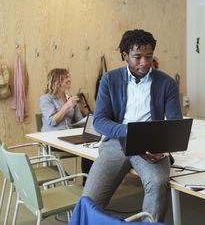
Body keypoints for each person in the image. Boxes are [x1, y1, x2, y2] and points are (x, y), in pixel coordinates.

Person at [82, 29, 182, 222]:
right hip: (116, 143)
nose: (144, 62)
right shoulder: (109, 80)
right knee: (89, 199)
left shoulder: (167, 83)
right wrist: (131, 132)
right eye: (137, 57)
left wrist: (163, 148)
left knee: (158, 182)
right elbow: (100, 121)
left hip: (151, 145)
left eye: (148, 56)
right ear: (125, 55)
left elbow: (174, 124)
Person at [40, 68, 93, 184]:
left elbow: (79, 120)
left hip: (69, 136)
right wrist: (67, 106)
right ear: (57, 81)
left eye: (69, 77)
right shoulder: (46, 99)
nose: (69, 79)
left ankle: (88, 185)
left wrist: (90, 121)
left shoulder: (71, 98)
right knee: (86, 148)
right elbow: (52, 121)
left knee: (89, 148)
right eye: (66, 77)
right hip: (53, 140)